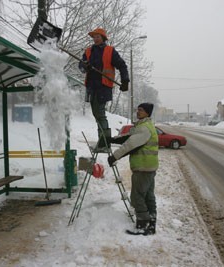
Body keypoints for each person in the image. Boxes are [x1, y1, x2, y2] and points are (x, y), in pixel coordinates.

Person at [107, 103, 159, 235]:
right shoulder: (145, 126)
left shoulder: (144, 128)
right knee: (148, 196)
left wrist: (114, 156)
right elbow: (128, 138)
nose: (137, 112)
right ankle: (151, 223)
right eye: (137, 109)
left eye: (141, 110)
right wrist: (112, 139)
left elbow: (130, 145)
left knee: (137, 197)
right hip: (149, 167)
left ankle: (143, 225)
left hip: (143, 167)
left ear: (147, 113)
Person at [79, 28, 130, 151]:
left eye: (98, 37)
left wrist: (125, 81)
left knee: (100, 114)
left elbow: (122, 65)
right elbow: (81, 66)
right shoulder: (88, 51)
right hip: (91, 87)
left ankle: (104, 144)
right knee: (97, 114)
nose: (95, 39)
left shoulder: (110, 51)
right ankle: (103, 142)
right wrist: (85, 66)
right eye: (94, 37)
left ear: (103, 38)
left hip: (103, 87)